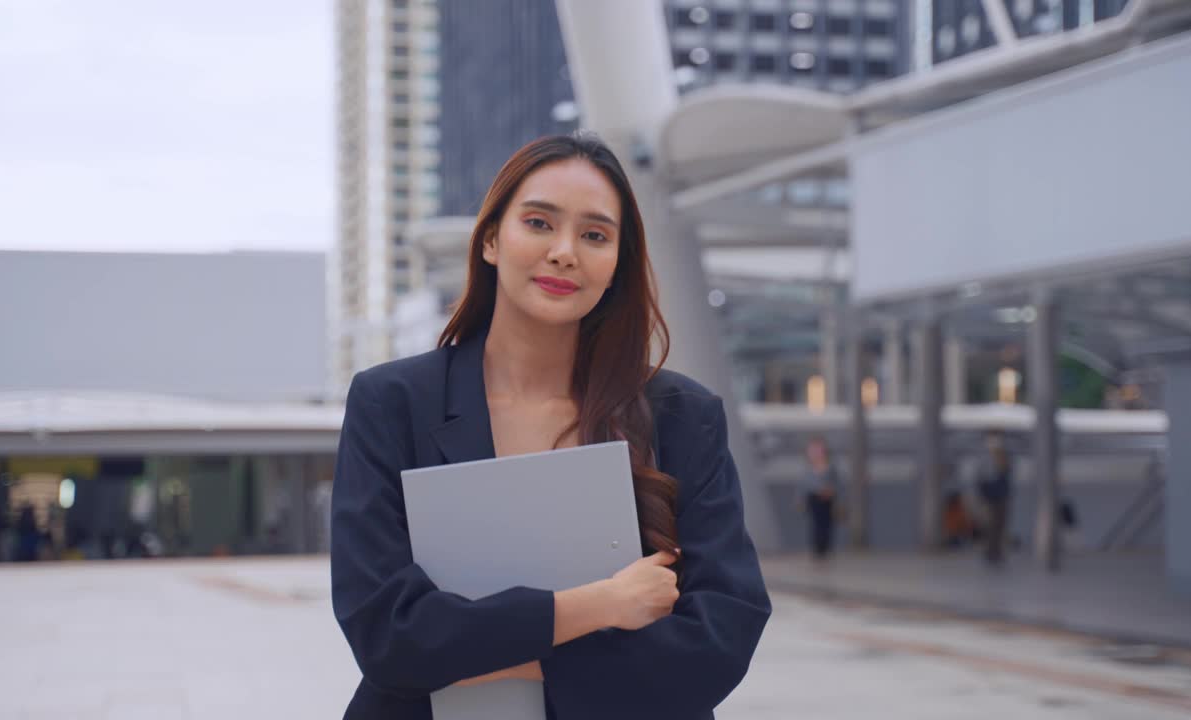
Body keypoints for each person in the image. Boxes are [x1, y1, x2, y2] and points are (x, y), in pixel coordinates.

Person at [330, 133, 771, 720]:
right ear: (491, 238)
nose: (565, 252)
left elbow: (720, 636)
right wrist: (600, 606)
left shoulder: (682, 414)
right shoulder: (390, 402)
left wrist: (476, 654)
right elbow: (387, 636)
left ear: (617, 264)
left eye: (594, 235)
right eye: (539, 223)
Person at [975, 430, 1013, 565]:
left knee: (999, 525)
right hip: (992, 498)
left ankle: (995, 551)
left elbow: (1005, 472)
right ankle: (991, 551)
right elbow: (982, 480)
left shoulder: (1002, 457)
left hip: (1000, 497)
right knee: (992, 525)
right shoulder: (986, 459)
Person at [802, 437, 840, 561]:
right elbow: (804, 485)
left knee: (827, 524)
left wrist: (832, 492)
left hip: (827, 498)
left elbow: (837, 483)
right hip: (814, 497)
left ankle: (825, 548)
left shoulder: (830, 467)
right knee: (816, 524)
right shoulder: (809, 468)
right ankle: (817, 549)